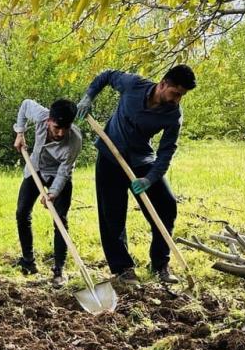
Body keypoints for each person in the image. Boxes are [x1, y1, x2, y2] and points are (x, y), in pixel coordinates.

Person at [76, 65, 197, 284]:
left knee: (166, 206)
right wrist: (88, 96)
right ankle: (123, 269)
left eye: (182, 96)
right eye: (176, 93)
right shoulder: (133, 85)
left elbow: (166, 151)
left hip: (142, 161)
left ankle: (160, 264)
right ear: (163, 84)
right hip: (110, 158)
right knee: (112, 214)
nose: (177, 100)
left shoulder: (173, 115)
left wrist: (150, 178)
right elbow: (106, 75)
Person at [13, 98, 82, 287]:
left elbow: (64, 171)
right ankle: (28, 261)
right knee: (22, 212)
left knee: (60, 219)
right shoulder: (41, 116)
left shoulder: (74, 141)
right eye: (57, 127)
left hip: (58, 175)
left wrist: (53, 193)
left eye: (65, 128)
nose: (60, 133)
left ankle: (59, 270)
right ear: (49, 121)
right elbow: (25, 104)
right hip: (35, 168)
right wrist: (20, 133)